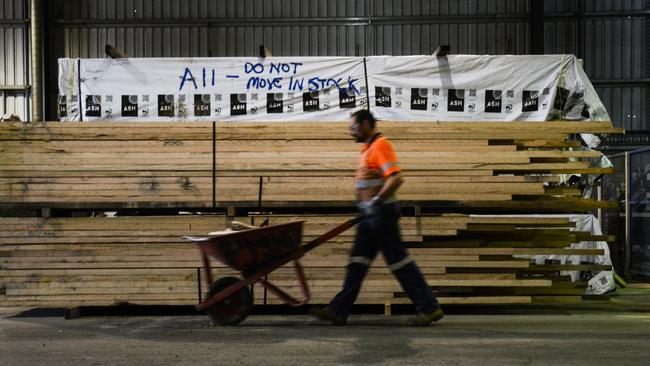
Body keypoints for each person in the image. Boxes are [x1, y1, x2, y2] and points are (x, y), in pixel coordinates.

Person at [311, 109, 444, 326]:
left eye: (353, 128)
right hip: (369, 216)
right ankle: (338, 310)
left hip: (381, 214)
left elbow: (396, 179)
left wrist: (376, 201)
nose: (350, 132)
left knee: (399, 262)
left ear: (365, 124)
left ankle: (429, 308)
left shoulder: (381, 145)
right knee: (357, 262)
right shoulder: (367, 148)